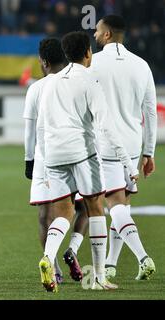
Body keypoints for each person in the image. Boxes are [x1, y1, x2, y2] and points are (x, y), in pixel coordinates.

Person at [37, 31, 138, 292]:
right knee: (95, 208)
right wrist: (128, 163)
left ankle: (48, 257)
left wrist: (45, 162)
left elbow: (41, 127)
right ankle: (99, 277)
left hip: (54, 156)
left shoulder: (51, 83)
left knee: (63, 213)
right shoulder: (89, 81)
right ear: (87, 54)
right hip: (82, 153)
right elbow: (106, 127)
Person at [92, 15, 157, 280]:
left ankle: (143, 258)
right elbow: (150, 112)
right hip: (132, 143)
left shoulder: (92, 63)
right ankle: (111, 263)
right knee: (123, 205)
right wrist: (149, 151)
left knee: (114, 204)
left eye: (97, 30)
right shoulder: (141, 65)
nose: (94, 34)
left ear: (107, 34)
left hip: (105, 144)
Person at [24, 38, 86, 284]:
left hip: (44, 158)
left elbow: (29, 129)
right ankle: (73, 249)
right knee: (84, 208)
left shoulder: (37, 88)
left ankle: (54, 266)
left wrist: (29, 160)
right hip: (76, 155)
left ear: (44, 61)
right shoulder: (76, 83)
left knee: (44, 214)